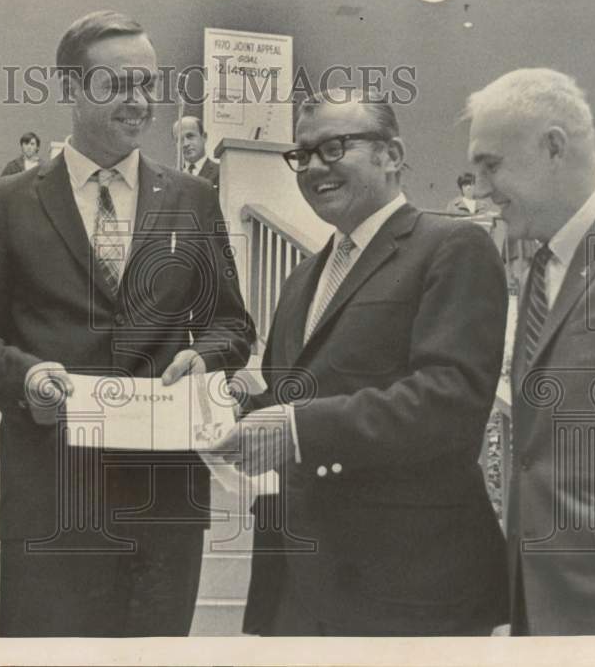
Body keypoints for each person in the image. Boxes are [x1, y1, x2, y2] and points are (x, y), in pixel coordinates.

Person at [0, 10, 254, 636]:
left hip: (164, 494)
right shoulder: (6, 204)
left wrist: (205, 358)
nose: (139, 101)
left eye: (148, 84)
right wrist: (28, 380)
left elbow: (232, 325)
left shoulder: (193, 199)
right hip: (52, 487)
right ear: (72, 88)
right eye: (118, 84)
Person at [213, 89, 509, 636]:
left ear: (391, 154)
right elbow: (289, 400)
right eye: (301, 154)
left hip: (409, 586)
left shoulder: (453, 246)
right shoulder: (304, 276)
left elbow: (451, 399)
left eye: (333, 148)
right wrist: (224, 398)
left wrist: (299, 429)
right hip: (301, 586)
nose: (312, 168)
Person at [465, 68, 595, 636]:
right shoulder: (537, 270)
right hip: (536, 606)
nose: (481, 188)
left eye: (491, 165)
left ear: (554, 147)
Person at [172, 116, 219, 190]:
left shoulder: (220, 172)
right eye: (180, 139)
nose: (185, 144)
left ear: (204, 137)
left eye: (190, 136)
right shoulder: (172, 177)